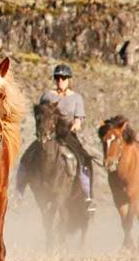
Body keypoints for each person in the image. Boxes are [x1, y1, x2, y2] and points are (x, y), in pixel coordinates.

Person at [38, 64, 96, 213]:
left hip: (67, 134)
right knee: (27, 157)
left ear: (69, 80)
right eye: (57, 77)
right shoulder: (47, 96)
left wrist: (75, 125)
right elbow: (41, 114)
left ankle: (88, 196)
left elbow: (79, 119)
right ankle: (18, 193)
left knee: (84, 160)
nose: (60, 80)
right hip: (48, 134)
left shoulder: (76, 98)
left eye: (63, 78)